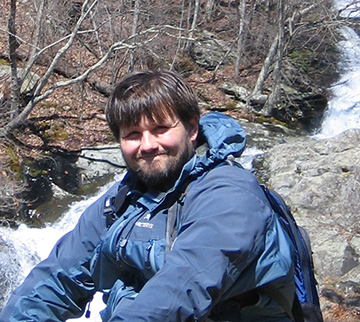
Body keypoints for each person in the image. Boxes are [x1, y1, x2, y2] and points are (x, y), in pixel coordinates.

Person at [0, 70, 295, 321]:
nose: (148, 144)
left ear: (191, 128)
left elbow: (182, 287)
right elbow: (56, 279)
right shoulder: (120, 202)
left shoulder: (230, 192)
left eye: (160, 128)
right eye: (132, 134)